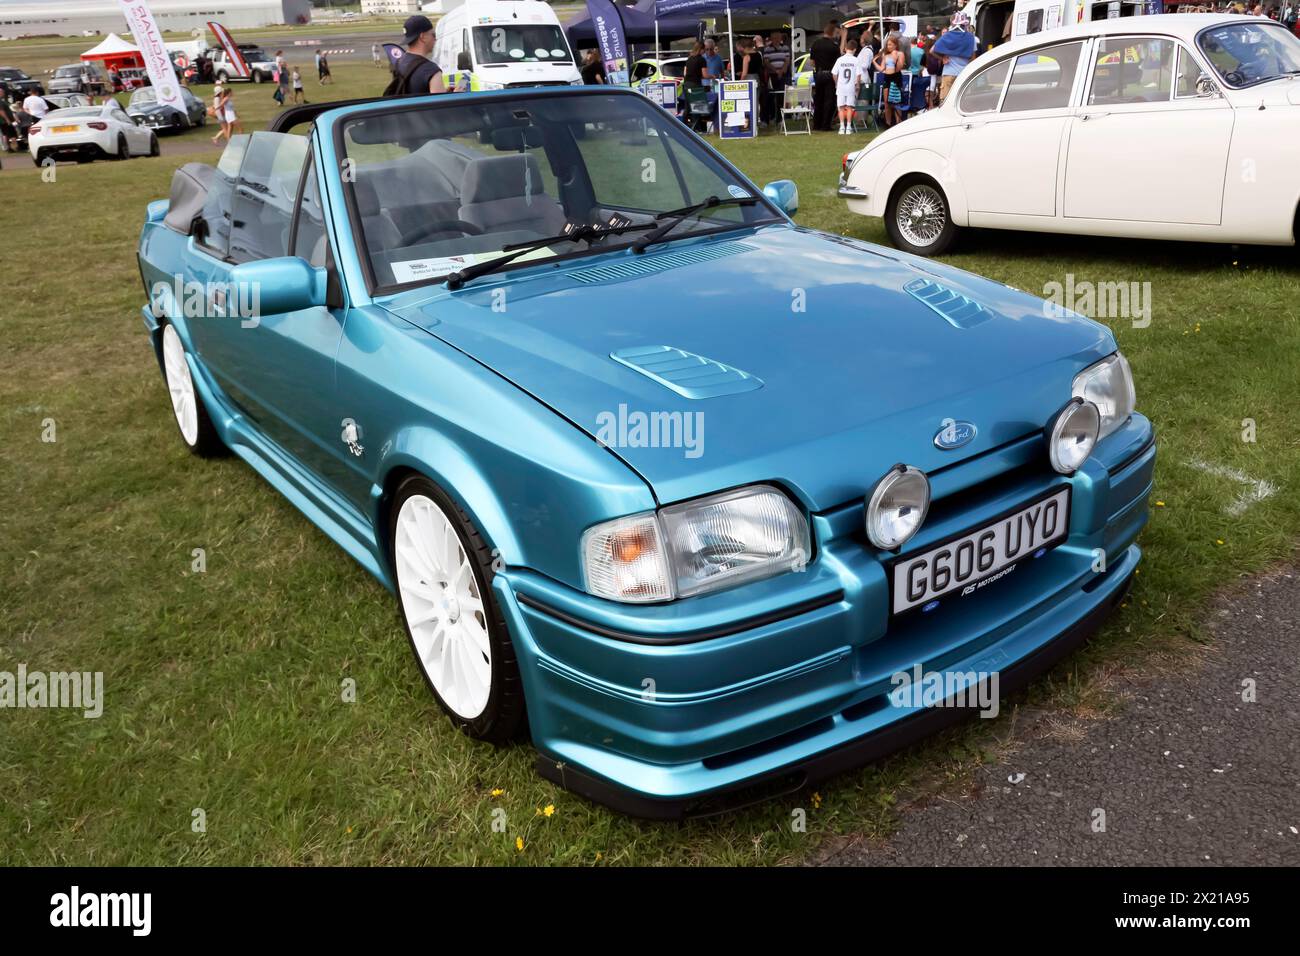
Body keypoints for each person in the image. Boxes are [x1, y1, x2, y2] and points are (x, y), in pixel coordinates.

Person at [389, 15, 447, 96]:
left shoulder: (398, 63)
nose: (435, 39)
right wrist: (454, 94)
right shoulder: (431, 70)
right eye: (433, 35)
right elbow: (442, 105)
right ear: (423, 37)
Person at [933, 16, 976, 104]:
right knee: (962, 103)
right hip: (964, 74)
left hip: (948, 73)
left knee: (945, 102)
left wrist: (942, 58)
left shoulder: (947, 36)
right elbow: (973, 58)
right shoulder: (971, 38)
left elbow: (932, 50)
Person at [810, 21, 841, 131]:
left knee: (818, 99)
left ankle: (816, 124)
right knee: (829, 100)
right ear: (832, 33)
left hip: (818, 74)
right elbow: (839, 61)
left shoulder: (815, 44)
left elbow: (812, 62)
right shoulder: (834, 46)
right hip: (829, 75)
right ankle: (825, 125)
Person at [873, 35, 906, 127]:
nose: (889, 47)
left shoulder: (900, 54)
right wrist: (874, 62)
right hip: (887, 77)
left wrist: (895, 59)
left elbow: (899, 67)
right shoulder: (886, 55)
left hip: (896, 77)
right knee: (887, 102)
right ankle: (888, 123)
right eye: (887, 45)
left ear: (895, 45)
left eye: (891, 45)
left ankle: (898, 123)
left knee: (896, 102)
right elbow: (881, 69)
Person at [833, 38, 861, 134]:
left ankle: (841, 127)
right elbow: (858, 75)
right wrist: (857, 85)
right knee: (849, 107)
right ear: (855, 49)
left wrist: (836, 83)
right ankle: (848, 127)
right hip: (851, 86)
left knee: (840, 107)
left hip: (841, 86)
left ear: (845, 48)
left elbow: (834, 73)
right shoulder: (856, 60)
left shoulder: (839, 60)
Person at [681, 41, 708, 132]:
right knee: (697, 107)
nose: (704, 52)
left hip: (686, 84)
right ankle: (696, 127)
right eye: (704, 49)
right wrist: (713, 76)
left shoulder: (689, 59)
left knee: (687, 107)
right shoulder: (702, 60)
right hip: (695, 85)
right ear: (701, 49)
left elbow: (685, 73)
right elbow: (704, 75)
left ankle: (683, 126)